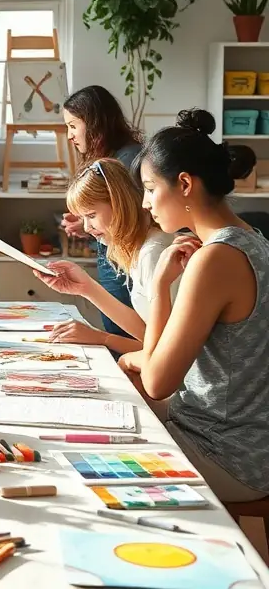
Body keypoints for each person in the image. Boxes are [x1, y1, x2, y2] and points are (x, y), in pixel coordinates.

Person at [119, 109, 268, 503]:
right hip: (248, 444)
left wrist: (162, 289)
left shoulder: (214, 258)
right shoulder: (255, 241)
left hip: (225, 453)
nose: (146, 203)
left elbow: (157, 383)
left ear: (184, 184)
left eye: (150, 188)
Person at [33, 158, 176, 355]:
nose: (86, 228)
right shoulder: (138, 248)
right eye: (82, 218)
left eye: (91, 215)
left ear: (119, 204)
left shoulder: (153, 252)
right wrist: (85, 287)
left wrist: (101, 338)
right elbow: (150, 333)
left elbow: (166, 351)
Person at [61, 86, 145, 338]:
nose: (69, 135)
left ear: (95, 122)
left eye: (73, 126)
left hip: (124, 266)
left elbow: (133, 217)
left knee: (126, 338)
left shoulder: (126, 160)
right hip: (116, 261)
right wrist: (87, 221)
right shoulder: (114, 155)